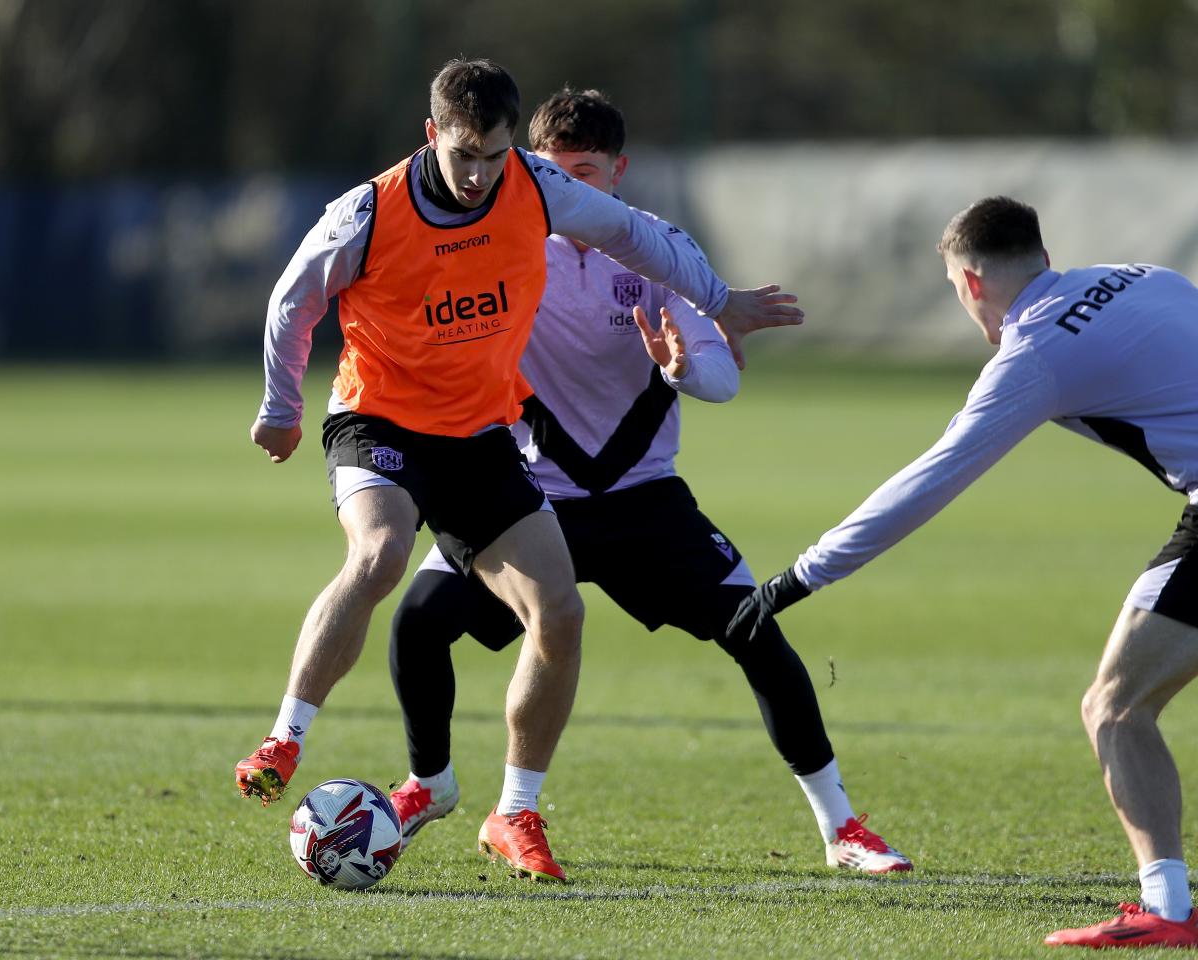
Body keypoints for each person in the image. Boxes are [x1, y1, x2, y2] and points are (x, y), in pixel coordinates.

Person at [236, 58, 804, 884]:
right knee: (382, 552)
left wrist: (720, 301)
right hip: (378, 416)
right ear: (432, 136)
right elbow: (294, 299)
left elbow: (641, 237)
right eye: (464, 155)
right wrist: (281, 406)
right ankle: (285, 736)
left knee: (560, 612)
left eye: (495, 157)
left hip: (477, 436)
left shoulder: (535, 186)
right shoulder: (366, 212)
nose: (479, 176)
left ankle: (515, 812)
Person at [385, 87, 911, 880]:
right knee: (418, 623)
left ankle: (841, 826)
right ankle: (438, 786)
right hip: (530, 497)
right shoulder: (498, 244)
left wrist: (682, 365)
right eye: (551, 173)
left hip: (644, 499)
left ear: (619, 172)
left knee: (756, 632)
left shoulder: (658, 250)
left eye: (586, 173)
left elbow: (720, 381)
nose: (567, 191)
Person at [732, 195, 1198, 948]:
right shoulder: (1145, 275)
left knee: (1114, 708)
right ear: (1042, 256)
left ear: (972, 282)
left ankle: (1169, 912)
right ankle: (1169, 907)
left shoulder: (1037, 350)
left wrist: (799, 577)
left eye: (954, 289)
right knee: (1120, 703)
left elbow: (929, 480)